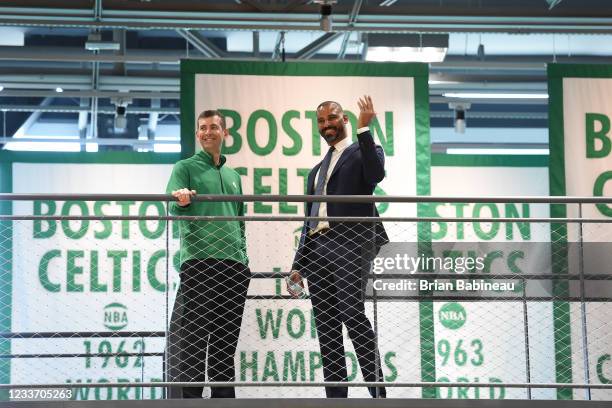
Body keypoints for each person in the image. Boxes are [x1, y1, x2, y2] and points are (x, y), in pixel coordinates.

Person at [287, 96, 389, 398]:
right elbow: (310, 220)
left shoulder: (362, 151)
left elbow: (375, 175)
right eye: (321, 121)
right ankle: (336, 400)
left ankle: (378, 394)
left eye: (332, 118)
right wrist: (298, 264)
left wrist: (364, 129)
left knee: (351, 313)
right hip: (317, 250)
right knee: (327, 328)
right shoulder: (315, 171)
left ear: (343, 119)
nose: (326, 125)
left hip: (350, 244)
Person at [165, 110, 249, 399]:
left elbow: (240, 222)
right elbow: (173, 207)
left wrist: (244, 260)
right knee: (194, 340)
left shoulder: (234, 176)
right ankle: (191, 403)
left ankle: (224, 402)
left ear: (225, 133)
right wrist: (184, 202)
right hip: (199, 263)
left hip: (234, 268)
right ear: (198, 134)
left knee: (226, 344)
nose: (207, 132)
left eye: (214, 127)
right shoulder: (184, 167)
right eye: (202, 128)